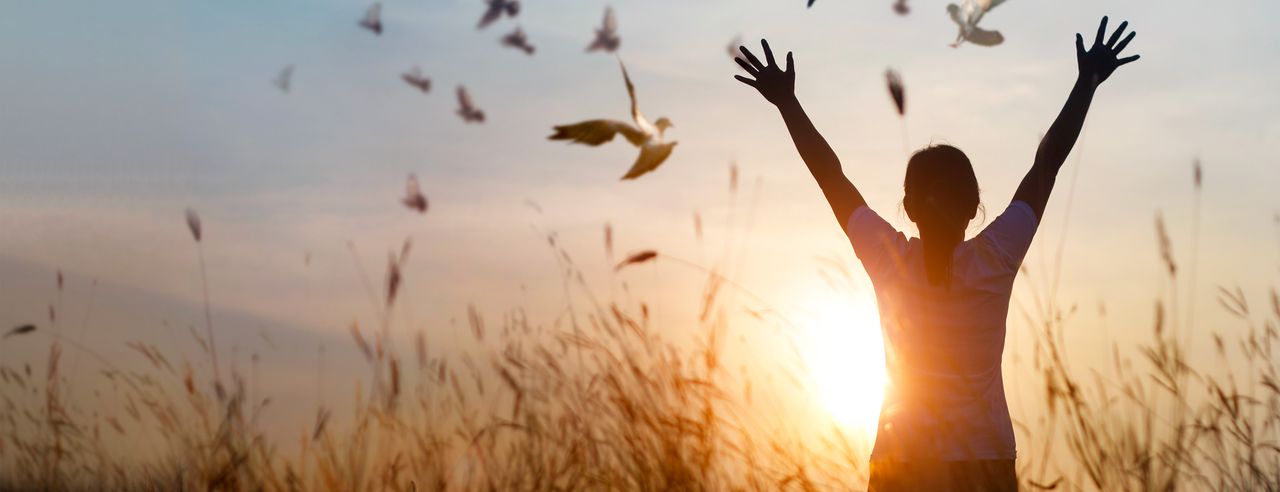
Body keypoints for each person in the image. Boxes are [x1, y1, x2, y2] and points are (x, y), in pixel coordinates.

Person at [733, 16, 1139, 491]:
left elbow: (832, 177)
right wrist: (1086, 84)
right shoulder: (996, 256)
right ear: (974, 205)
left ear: (907, 208)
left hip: (902, 464)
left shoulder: (889, 259)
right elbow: (1046, 166)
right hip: (983, 463)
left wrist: (787, 104)